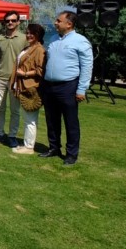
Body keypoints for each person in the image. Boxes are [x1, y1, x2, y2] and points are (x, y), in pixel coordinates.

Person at [40, 11, 93, 166]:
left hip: (68, 87)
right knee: (52, 120)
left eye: (58, 21)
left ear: (69, 24)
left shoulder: (80, 41)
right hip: (50, 86)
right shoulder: (54, 39)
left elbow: (87, 67)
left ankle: (71, 154)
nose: (55, 23)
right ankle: (54, 148)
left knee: (70, 122)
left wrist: (81, 89)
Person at [0, 11, 28, 148]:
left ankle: (12, 135)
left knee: (15, 110)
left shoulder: (24, 38)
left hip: (16, 79)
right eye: (7, 21)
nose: (10, 23)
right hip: (0, 77)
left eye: (13, 20)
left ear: (18, 22)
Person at [10, 24, 47, 154]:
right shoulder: (27, 48)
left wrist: (25, 74)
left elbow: (40, 70)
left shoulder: (39, 50)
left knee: (30, 119)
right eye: (27, 33)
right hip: (20, 86)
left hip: (31, 89)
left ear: (38, 35)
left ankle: (29, 147)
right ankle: (26, 144)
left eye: (32, 33)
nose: (28, 35)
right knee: (26, 118)